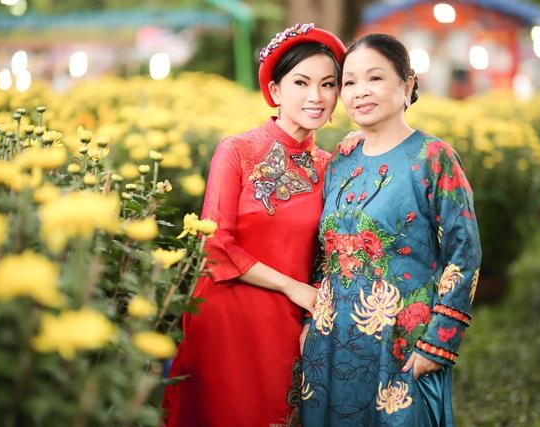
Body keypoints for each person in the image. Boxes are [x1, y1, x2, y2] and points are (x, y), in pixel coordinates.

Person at [161, 23, 346, 427]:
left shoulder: (332, 167)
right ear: (275, 91)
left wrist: (312, 314)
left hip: (289, 323)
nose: (316, 96)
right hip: (227, 317)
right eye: (301, 82)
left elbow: (332, 254)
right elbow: (216, 245)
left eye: (328, 84)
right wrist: (291, 286)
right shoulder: (237, 151)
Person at [301, 33, 482, 426]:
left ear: (407, 84)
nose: (360, 92)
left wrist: (439, 342)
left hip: (402, 346)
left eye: (375, 78)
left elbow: (463, 251)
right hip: (329, 346)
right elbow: (324, 253)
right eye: (349, 82)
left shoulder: (433, 157)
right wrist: (308, 324)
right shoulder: (340, 164)